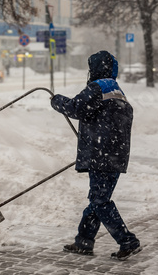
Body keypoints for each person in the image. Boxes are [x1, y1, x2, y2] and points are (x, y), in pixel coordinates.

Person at [50, 50, 141, 261]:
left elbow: (76, 108)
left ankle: (127, 240)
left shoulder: (98, 88)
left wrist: (57, 101)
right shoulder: (118, 91)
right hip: (116, 156)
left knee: (99, 201)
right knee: (98, 199)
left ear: (95, 69)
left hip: (101, 155)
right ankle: (84, 241)